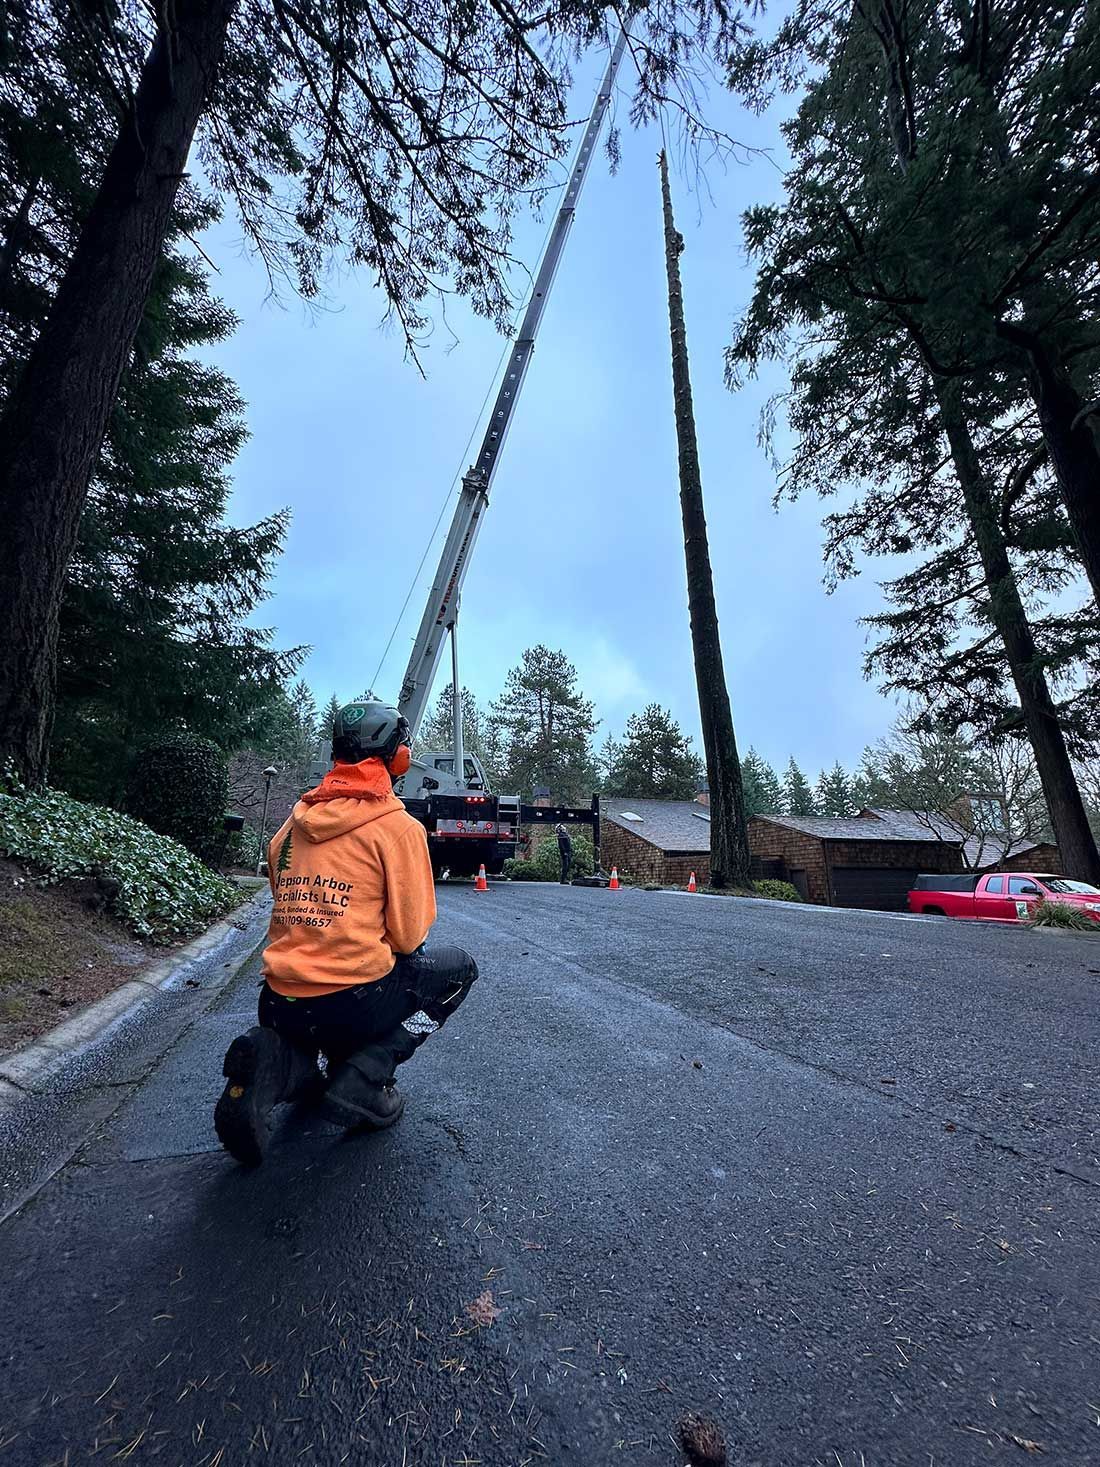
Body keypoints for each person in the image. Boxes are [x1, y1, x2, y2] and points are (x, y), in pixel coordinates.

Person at [214, 700, 478, 1166]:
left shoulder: (289, 829)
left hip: (278, 1002)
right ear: (397, 759)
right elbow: (409, 936)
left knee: (308, 1035)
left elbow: (284, 901)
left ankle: (271, 1062)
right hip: (353, 1006)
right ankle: (365, 1075)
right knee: (457, 971)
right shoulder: (397, 829)